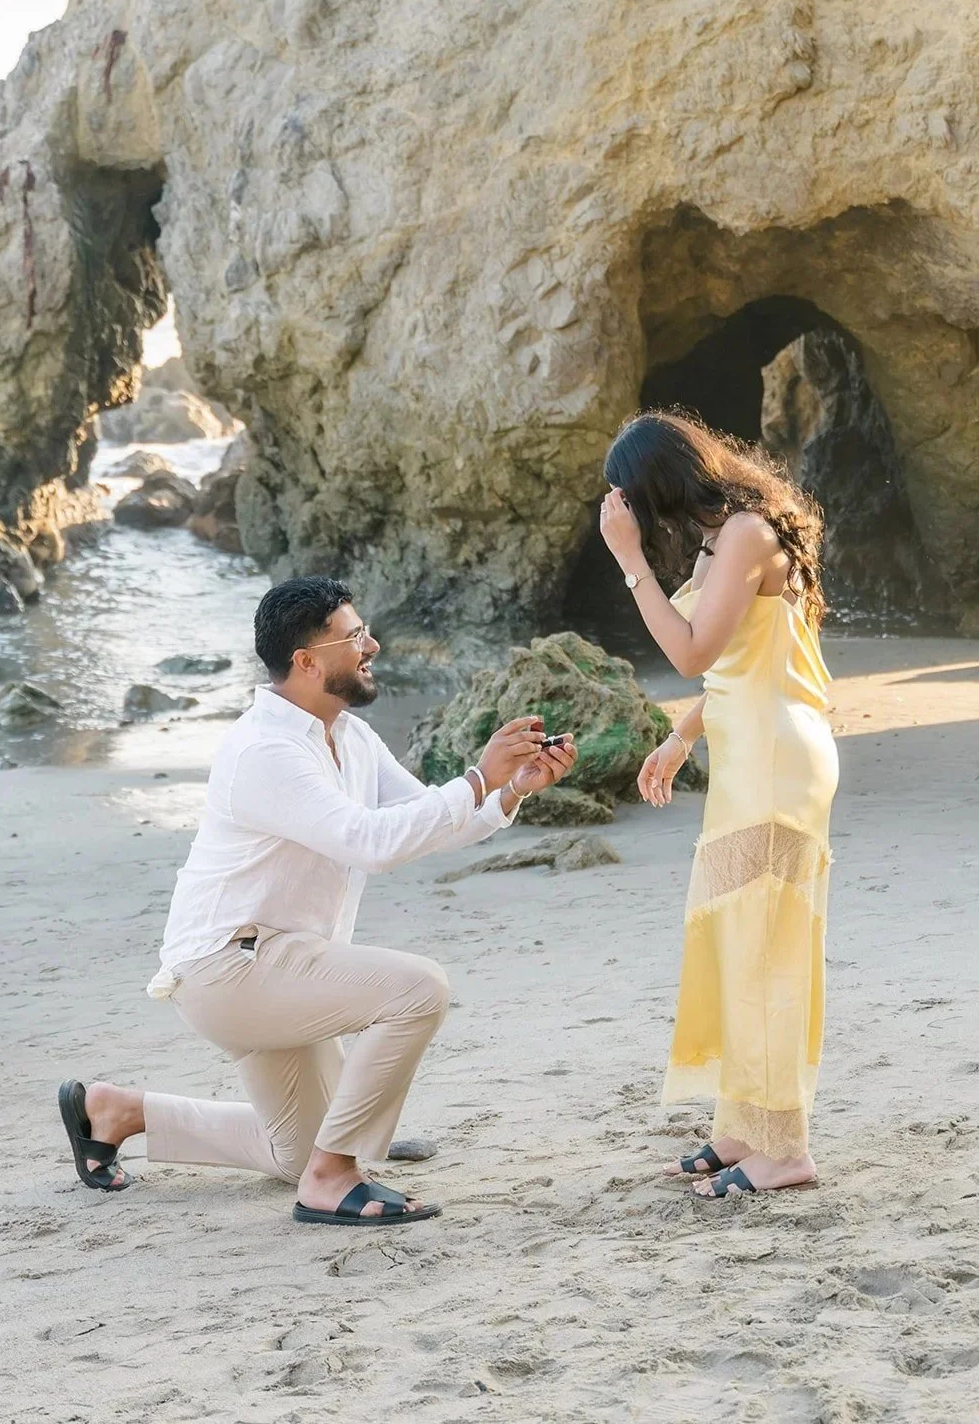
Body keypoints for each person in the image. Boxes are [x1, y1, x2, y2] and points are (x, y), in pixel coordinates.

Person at [59, 576, 576, 1226]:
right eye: (355, 636)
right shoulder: (266, 750)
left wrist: (508, 791)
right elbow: (370, 843)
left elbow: (421, 816)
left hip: (279, 963)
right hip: (230, 969)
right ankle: (338, 1170)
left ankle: (118, 1111)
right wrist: (476, 776)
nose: (373, 644)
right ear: (306, 661)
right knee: (420, 990)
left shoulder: (348, 735)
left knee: (293, 1151)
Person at [599, 410, 838, 1199]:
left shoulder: (743, 534)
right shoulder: (729, 533)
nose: (632, 513)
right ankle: (745, 1131)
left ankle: (785, 1150)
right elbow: (743, 658)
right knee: (741, 945)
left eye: (631, 499)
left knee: (763, 950)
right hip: (753, 751)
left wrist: (630, 563)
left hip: (774, 759)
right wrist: (679, 740)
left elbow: (694, 648)